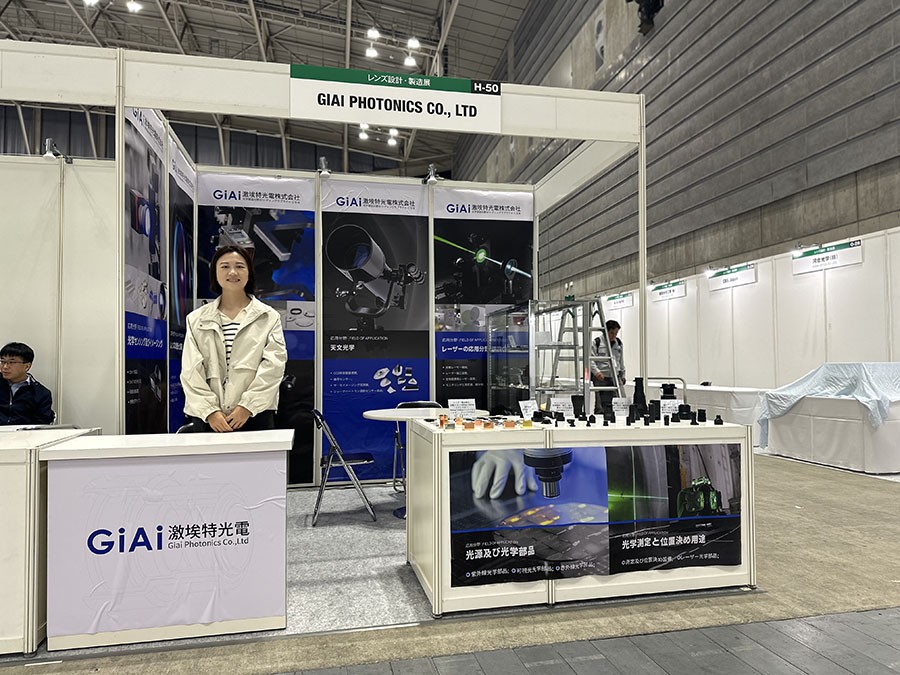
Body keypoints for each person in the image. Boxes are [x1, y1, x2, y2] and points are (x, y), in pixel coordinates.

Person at [181, 245, 287, 432]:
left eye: (239, 266)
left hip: (255, 415)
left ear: (249, 272)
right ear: (215, 272)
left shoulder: (268, 317)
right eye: (224, 266)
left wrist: (247, 407)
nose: (232, 272)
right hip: (208, 420)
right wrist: (210, 411)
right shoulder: (196, 319)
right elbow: (190, 370)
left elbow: (274, 366)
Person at [0, 342, 54, 425]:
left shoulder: (41, 394)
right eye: (2, 361)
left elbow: (41, 424)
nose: (5, 367)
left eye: (11, 362)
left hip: (24, 432)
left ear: (27, 366)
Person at [590, 319, 625, 415]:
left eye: (616, 333)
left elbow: (621, 360)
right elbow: (591, 360)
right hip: (601, 377)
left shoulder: (618, 343)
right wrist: (597, 372)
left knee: (618, 402)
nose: (614, 336)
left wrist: (623, 374)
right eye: (612, 333)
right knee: (600, 404)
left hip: (615, 376)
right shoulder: (597, 342)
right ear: (606, 331)